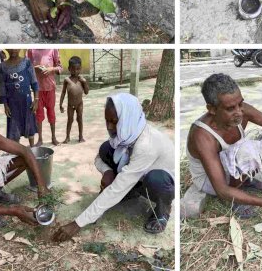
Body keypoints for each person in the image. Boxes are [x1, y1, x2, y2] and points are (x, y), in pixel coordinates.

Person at [52, 93, 175, 240]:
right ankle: (133, 191)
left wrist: (78, 224)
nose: (110, 127)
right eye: (107, 121)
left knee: (156, 179)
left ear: (126, 119)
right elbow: (98, 158)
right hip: (137, 176)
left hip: (162, 184)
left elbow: (118, 188)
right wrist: (108, 171)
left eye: (114, 121)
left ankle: (163, 211)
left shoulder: (146, 145)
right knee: (105, 149)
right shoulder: (127, 133)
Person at [186, 73, 262, 218]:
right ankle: (234, 198)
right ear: (212, 109)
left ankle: (244, 181)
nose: (239, 112)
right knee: (245, 151)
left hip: (233, 164)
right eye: (230, 108)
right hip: (211, 180)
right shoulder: (202, 135)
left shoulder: (240, 110)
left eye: (240, 104)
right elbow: (221, 189)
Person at [0, 49, 38, 147]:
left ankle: (32, 149)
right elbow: (2, 87)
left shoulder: (27, 63)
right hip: (12, 104)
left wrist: (36, 100)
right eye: (10, 48)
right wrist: (5, 105)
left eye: (15, 47)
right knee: (14, 130)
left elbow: (34, 81)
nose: (13, 50)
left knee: (29, 127)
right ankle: (18, 152)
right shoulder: (3, 66)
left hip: (27, 102)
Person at [27, 48, 62, 146]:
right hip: (37, 89)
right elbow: (27, 67)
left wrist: (51, 69)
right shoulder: (31, 50)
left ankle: (53, 137)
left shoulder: (53, 49)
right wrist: (35, 68)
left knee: (51, 113)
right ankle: (40, 139)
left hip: (50, 88)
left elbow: (60, 68)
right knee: (38, 115)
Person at [60, 56, 89, 143]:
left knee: (79, 119)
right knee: (70, 120)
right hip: (70, 105)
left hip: (79, 104)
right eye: (73, 69)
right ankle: (67, 137)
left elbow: (86, 92)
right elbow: (63, 92)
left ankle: (80, 136)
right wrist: (60, 104)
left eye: (78, 69)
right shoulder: (67, 80)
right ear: (69, 69)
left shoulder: (81, 80)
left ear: (80, 69)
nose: (75, 71)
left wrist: (84, 82)